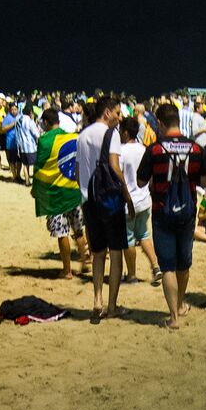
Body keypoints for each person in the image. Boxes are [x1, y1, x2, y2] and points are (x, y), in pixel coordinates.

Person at [137, 102, 206, 329]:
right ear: (179, 121)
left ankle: (174, 317)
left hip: (162, 210)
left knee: (167, 265)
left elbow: (140, 181)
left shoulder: (155, 149)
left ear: (159, 123)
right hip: (187, 210)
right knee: (183, 263)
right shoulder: (197, 149)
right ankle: (180, 304)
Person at [78, 97, 134, 322]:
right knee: (116, 251)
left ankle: (97, 301)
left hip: (88, 200)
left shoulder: (82, 135)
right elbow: (114, 166)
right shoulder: (111, 134)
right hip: (109, 201)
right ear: (108, 112)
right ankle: (112, 305)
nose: (120, 118)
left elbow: (76, 171)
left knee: (98, 253)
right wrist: (127, 195)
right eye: (118, 113)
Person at [32, 108, 89, 281]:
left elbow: (40, 168)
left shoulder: (44, 141)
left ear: (46, 123)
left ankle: (67, 270)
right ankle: (86, 261)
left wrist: (36, 190)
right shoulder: (72, 136)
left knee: (62, 233)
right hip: (73, 190)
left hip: (56, 194)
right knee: (78, 230)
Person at [117, 117, 159, 286]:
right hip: (144, 199)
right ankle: (156, 266)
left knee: (128, 239)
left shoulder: (121, 151)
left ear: (126, 132)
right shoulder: (143, 149)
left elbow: (119, 176)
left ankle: (132, 275)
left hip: (129, 201)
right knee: (143, 234)